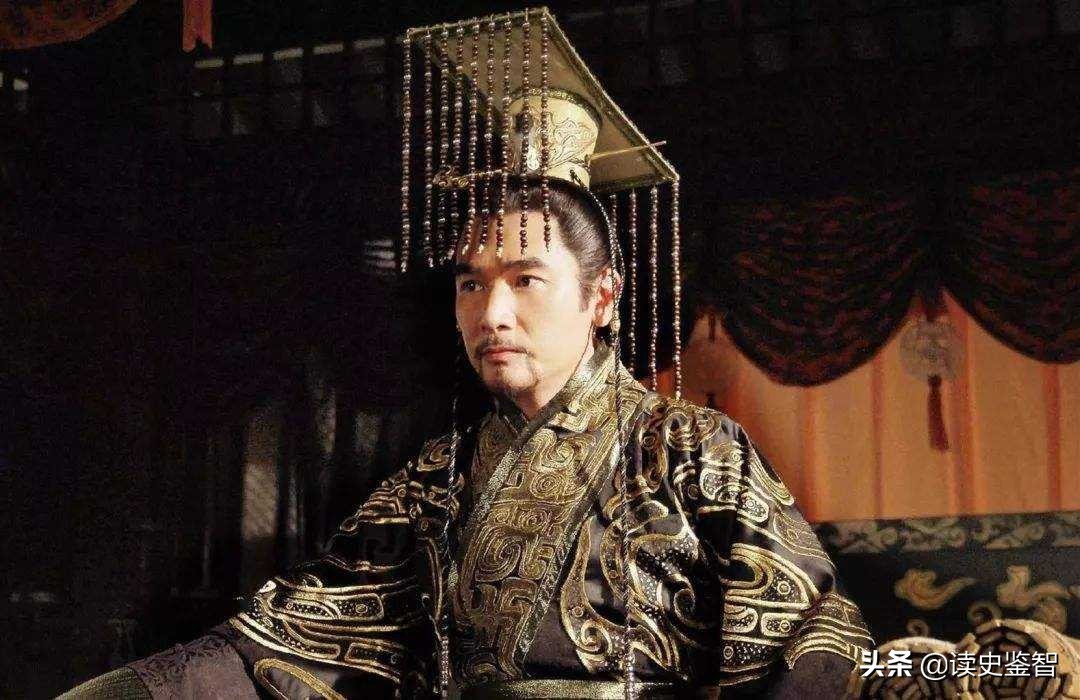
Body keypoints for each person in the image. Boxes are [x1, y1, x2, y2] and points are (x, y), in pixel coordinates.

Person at [63, 9, 872, 699]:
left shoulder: (695, 449)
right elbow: (289, 637)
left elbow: (814, 637)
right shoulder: (438, 479)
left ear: (602, 298)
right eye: (469, 284)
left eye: (526, 280)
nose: (492, 313)